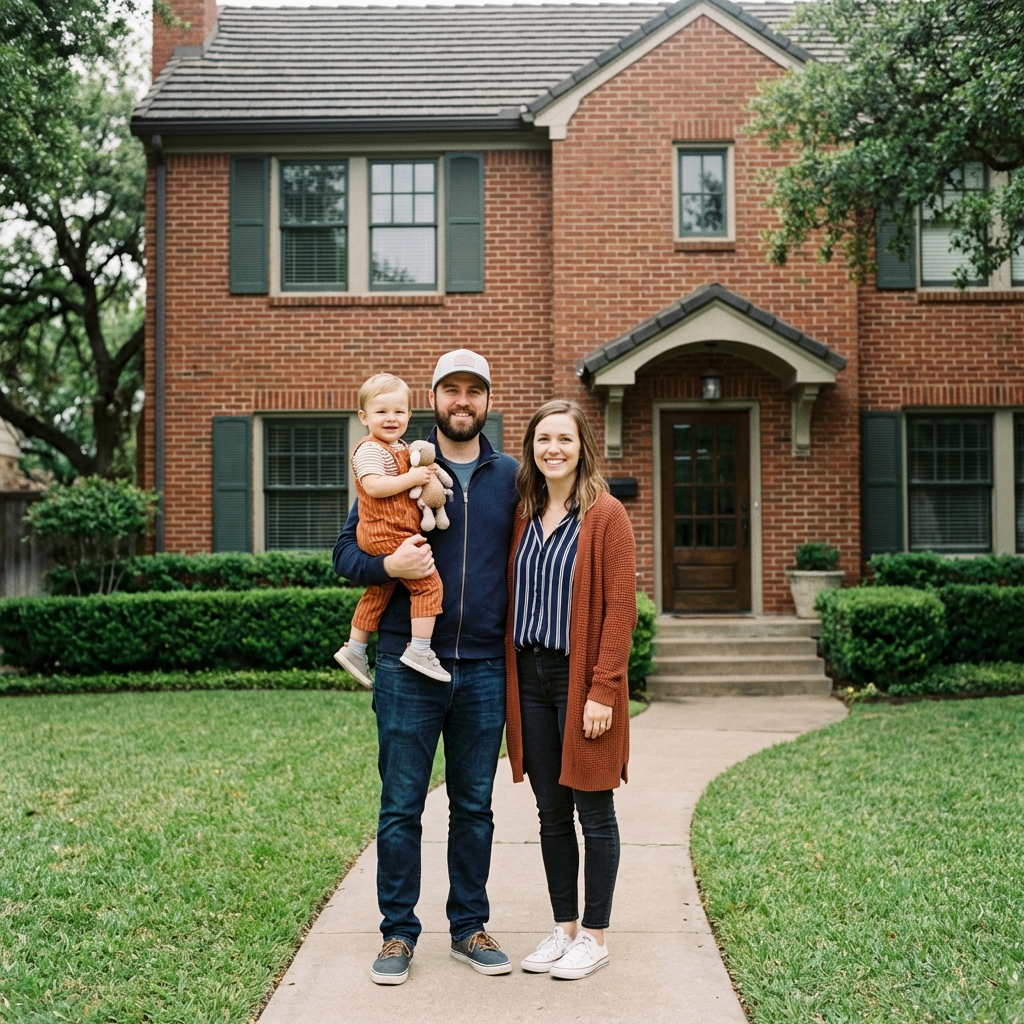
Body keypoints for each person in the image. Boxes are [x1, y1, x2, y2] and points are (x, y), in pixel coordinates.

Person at [333, 349, 520, 986]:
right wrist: (389, 568)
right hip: (408, 669)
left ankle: (469, 927)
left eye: (475, 391)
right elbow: (344, 553)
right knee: (400, 806)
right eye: (451, 391)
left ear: (488, 401)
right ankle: (397, 934)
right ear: (433, 401)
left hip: (484, 669)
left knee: (474, 806)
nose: (462, 401)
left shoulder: (511, 478)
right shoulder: (392, 463)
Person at [504, 399, 636, 980]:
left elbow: (621, 610)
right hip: (529, 677)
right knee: (550, 812)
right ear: (532, 449)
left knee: (594, 809)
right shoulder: (524, 513)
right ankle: (564, 930)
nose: (552, 449)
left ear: (582, 445)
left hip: (578, 679)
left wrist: (602, 690)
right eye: (541, 440)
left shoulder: (606, 516)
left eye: (563, 438)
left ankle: (597, 936)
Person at [334, 373, 452, 686]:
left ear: (409, 416)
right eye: (381, 412)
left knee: (379, 590)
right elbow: (373, 486)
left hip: (387, 532)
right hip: (387, 531)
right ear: (364, 417)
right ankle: (420, 649)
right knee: (428, 586)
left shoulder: (401, 448)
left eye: (399, 412)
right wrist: (412, 480)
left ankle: (355, 647)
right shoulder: (370, 449)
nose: (391, 418)